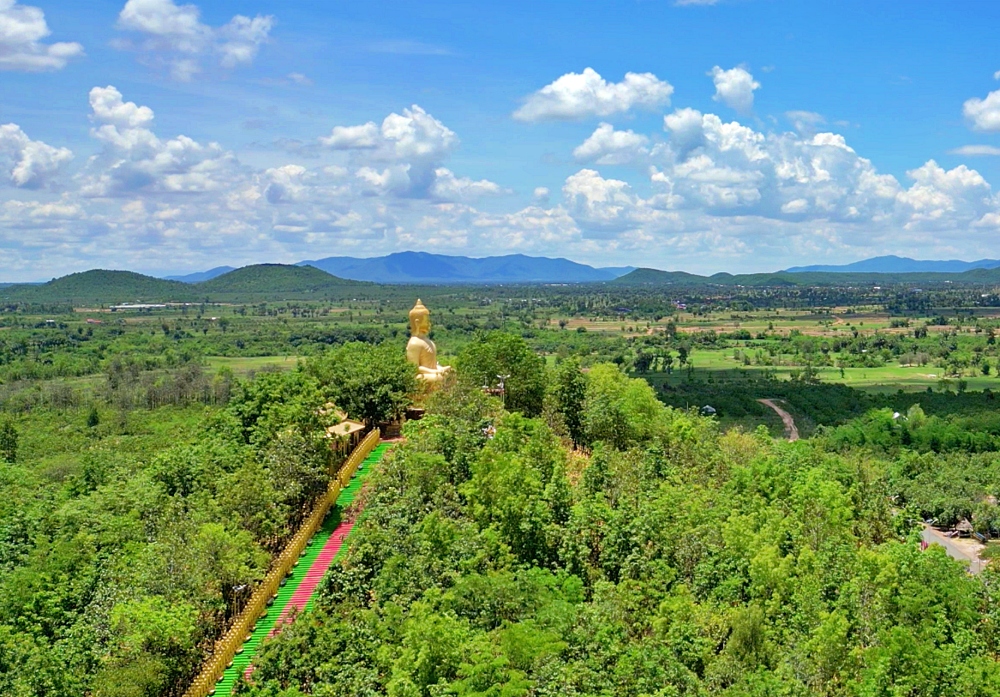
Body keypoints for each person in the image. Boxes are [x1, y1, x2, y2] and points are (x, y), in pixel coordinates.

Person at [406, 299, 451, 384]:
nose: (429, 323)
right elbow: (414, 368)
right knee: (437, 378)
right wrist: (434, 372)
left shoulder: (429, 341)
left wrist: (440, 368)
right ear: (417, 322)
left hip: (433, 373)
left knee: (451, 373)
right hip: (421, 377)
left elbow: (433, 364)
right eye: (426, 321)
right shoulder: (414, 343)